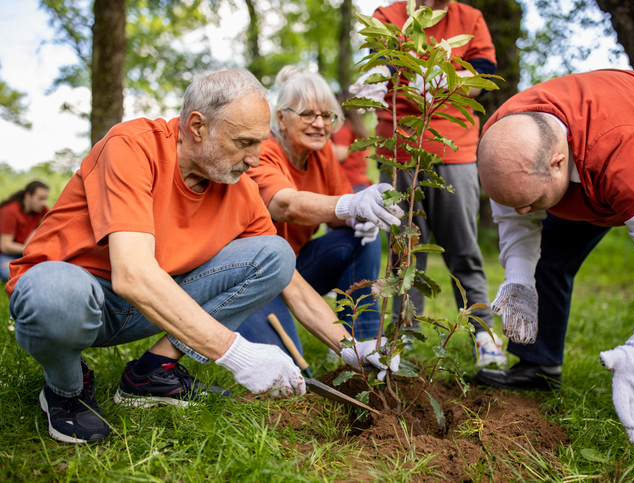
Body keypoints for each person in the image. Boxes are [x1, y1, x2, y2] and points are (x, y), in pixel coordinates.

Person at [5, 70, 398, 445]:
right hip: (80, 295)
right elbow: (133, 275)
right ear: (197, 127)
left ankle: (151, 374)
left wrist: (350, 347)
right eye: (244, 143)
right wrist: (237, 354)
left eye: (260, 143)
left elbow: (288, 280)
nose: (255, 159)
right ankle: (65, 388)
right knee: (52, 293)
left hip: (151, 305)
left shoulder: (238, 187)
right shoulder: (133, 146)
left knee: (276, 253)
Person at [474, 69, 634, 459]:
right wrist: (519, 279)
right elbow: (516, 217)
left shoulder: (617, 149)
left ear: (558, 163)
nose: (523, 211)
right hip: (593, 168)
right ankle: (537, 368)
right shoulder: (506, 143)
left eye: (531, 201)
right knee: (548, 255)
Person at [350, 0, 504, 366]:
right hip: (399, 152)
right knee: (405, 252)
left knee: (462, 248)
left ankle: (484, 336)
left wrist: (442, 76)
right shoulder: (387, 16)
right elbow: (381, 58)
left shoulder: (470, 19)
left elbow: (483, 74)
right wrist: (378, 78)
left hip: (455, 150)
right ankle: (402, 339)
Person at [239, 66, 404, 348]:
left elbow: (338, 213)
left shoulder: (321, 151)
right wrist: (353, 203)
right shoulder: (263, 150)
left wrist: (357, 219)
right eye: (307, 114)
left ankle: (364, 342)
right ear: (281, 117)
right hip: (251, 279)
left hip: (294, 269)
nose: (319, 123)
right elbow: (285, 205)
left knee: (362, 239)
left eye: (326, 115)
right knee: (287, 371)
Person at [0, 181, 49, 282]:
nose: (43, 203)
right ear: (28, 196)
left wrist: (36, 231)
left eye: (45, 199)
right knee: (7, 273)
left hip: (28, 253)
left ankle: (25, 268)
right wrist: (31, 251)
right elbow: (5, 246)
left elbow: (55, 224)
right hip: (8, 254)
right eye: (40, 199)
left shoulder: (42, 209)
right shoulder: (9, 211)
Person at [331, 104, 372, 193]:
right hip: (361, 184)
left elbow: (340, 154)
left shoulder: (343, 127)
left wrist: (323, 141)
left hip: (348, 185)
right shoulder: (359, 129)